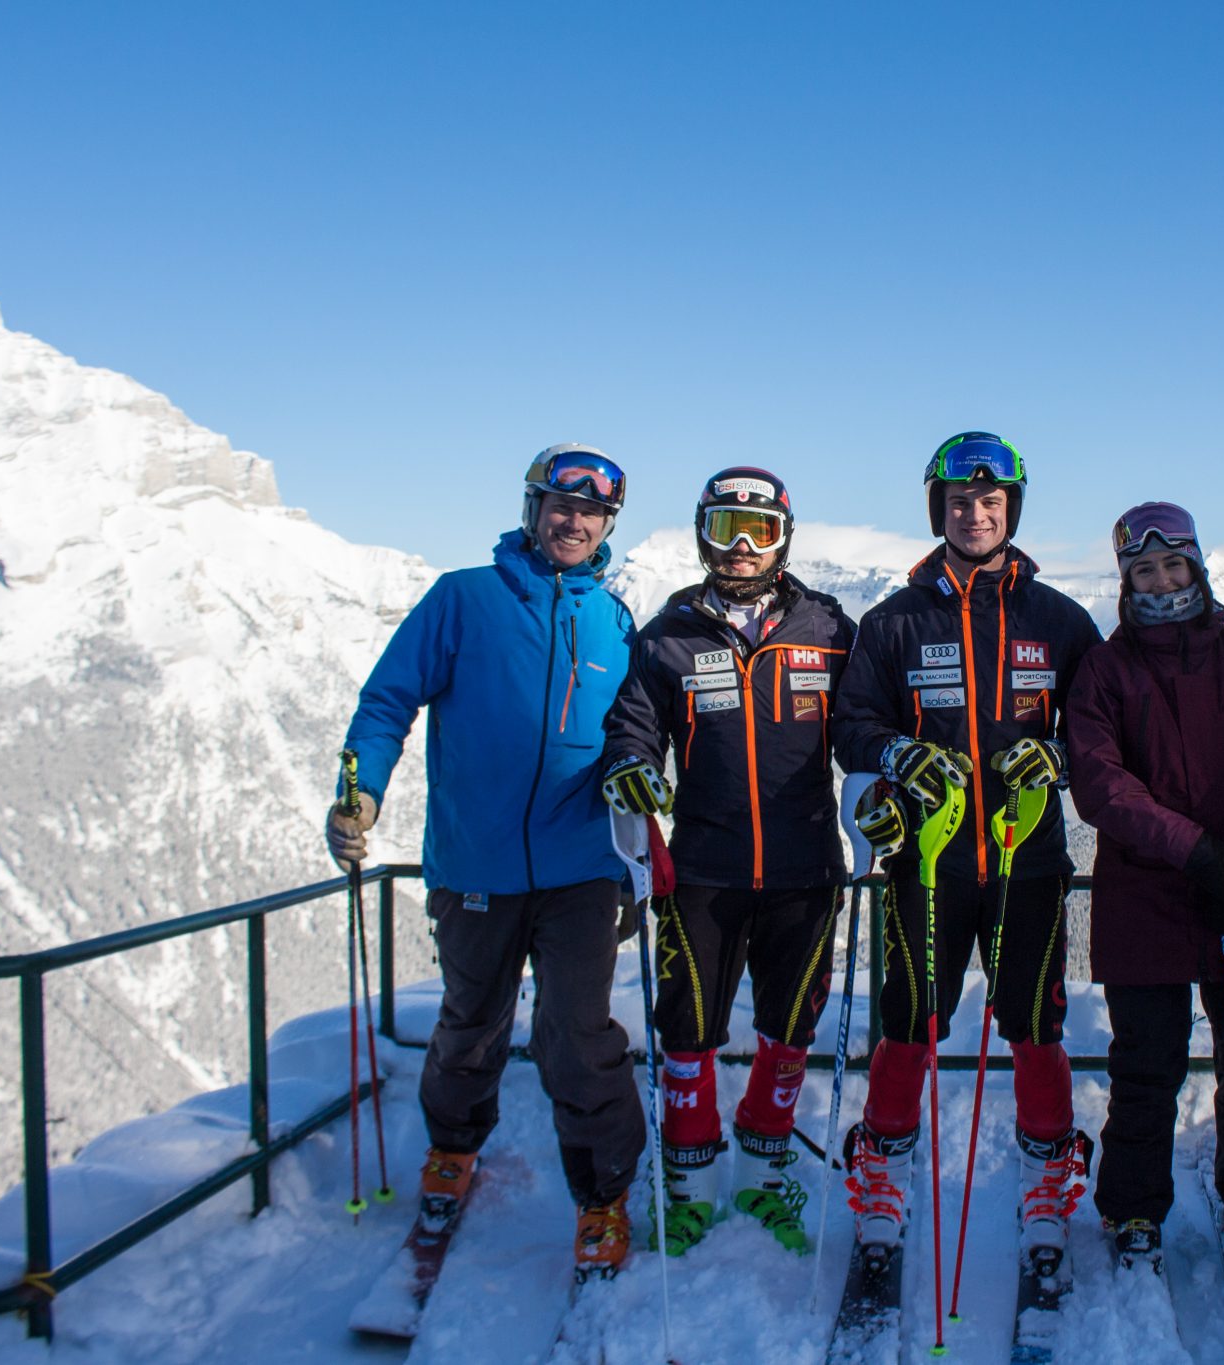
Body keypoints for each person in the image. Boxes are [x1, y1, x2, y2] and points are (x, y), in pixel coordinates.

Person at [326, 443, 646, 1281]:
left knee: (577, 1033)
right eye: (559, 505)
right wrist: (359, 792)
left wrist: (642, 841)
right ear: (535, 508)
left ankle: (603, 1192)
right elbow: (387, 699)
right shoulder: (463, 598)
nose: (573, 522)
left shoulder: (613, 621)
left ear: (608, 524)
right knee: (470, 1024)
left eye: (591, 512)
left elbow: (636, 739)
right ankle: (452, 1153)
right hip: (475, 864)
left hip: (582, 869)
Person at [830, 431, 1103, 1273]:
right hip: (927, 861)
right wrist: (893, 754)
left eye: (990, 502)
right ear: (937, 508)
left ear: (1011, 510)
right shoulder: (894, 619)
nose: (974, 513)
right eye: (958, 502)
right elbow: (850, 726)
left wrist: (1057, 756)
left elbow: (1099, 732)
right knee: (909, 1019)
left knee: (1034, 1021)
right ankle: (883, 1168)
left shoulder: (1056, 618)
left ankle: (1047, 1174)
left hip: (1027, 860)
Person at [599, 467, 856, 1257]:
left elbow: (869, 724)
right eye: (723, 528)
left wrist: (888, 784)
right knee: (688, 1028)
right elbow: (633, 727)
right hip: (702, 870)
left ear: (785, 536)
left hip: (804, 867)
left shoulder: (830, 628)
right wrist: (630, 766)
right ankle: (690, 1181)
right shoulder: (668, 633)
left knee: (790, 1025)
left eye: (759, 531)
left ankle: (760, 1162)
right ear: (701, 532)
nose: (741, 548)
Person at [1064, 502, 1224, 1269]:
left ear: (1198, 567)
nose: (1162, 580)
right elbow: (1101, 786)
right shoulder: (1107, 667)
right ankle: (1133, 1205)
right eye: (1144, 570)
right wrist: (1202, 854)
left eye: (1173, 565)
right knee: (1148, 1061)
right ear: (1126, 580)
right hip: (1146, 895)